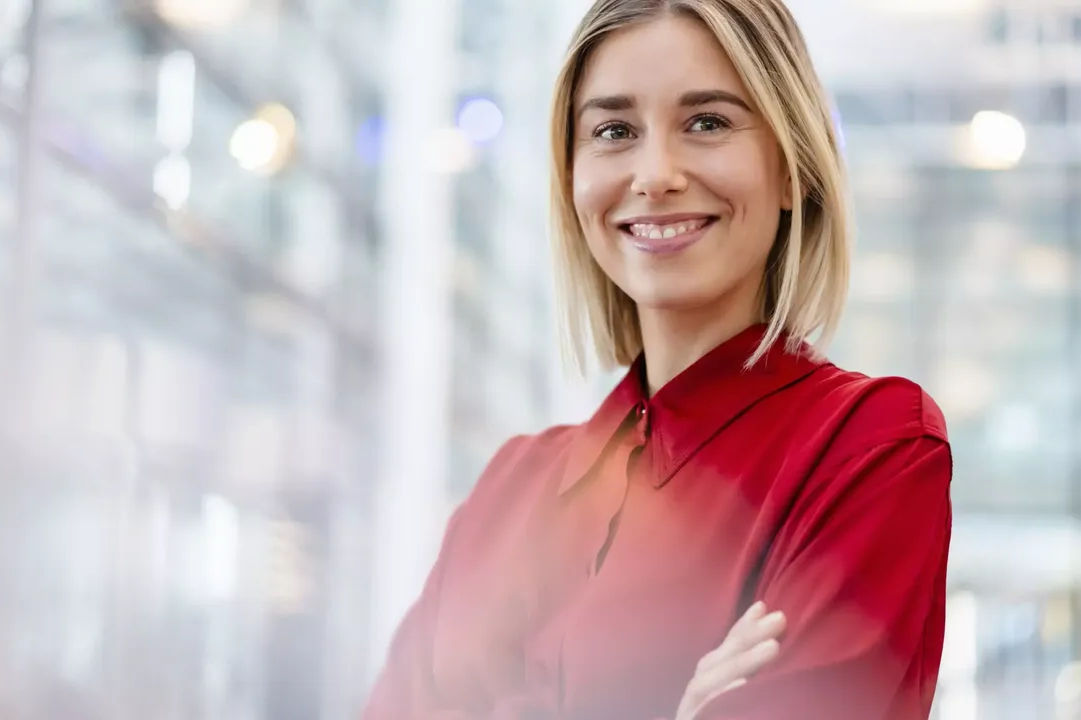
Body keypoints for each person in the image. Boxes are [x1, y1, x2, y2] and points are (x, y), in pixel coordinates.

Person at [363, 0, 953, 718]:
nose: (655, 174)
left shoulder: (870, 448)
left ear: (795, 166)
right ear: (573, 179)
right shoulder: (507, 490)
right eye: (614, 131)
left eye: (706, 122)